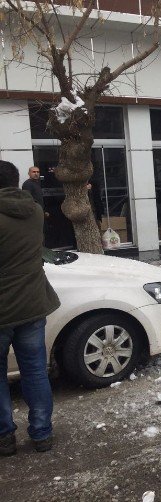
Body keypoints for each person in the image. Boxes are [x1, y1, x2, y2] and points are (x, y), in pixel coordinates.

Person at [0, 160, 60, 456]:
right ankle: (42, 434)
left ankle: (4, 437)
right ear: (16, 180)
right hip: (33, 305)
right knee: (35, 371)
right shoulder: (34, 212)